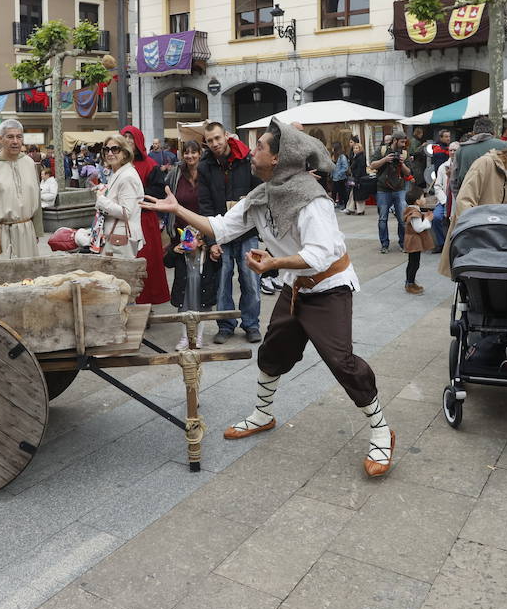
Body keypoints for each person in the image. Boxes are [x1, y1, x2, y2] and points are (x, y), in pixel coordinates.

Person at [144, 119, 395, 478]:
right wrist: (177, 210)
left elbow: (321, 254)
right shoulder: (261, 196)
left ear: (279, 158)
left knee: (342, 362)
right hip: (296, 287)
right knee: (273, 351)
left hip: (329, 287)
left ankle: (381, 430)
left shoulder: (312, 200)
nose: (251, 150)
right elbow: (221, 228)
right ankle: (263, 414)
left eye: (259, 146)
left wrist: (275, 263)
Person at [438, 137, 507, 276]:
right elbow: (465, 202)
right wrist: (478, 232)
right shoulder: (485, 164)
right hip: (475, 243)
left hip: (502, 247)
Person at [197, 121, 260, 345]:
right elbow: (204, 205)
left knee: (251, 279)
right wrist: (211, 240)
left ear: (226, 135)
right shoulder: (204, 166)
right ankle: (225, 325)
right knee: (223, 281)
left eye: (217, 138)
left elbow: (259, 189)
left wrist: (248, 201)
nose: (215, 143)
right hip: (220, 232)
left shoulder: (246, 158)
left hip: (246, 230)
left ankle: (251, 324)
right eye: (210, 140)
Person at [0, 120, 42, 260]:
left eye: (19, 137)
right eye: (10, 137)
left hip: (26, 230)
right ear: (0, 139)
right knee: (2, 279)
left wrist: (37, 231)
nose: (15, 141)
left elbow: (36, 197)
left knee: (29, 276)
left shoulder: (29, 163)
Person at [121, 125, 174, 305]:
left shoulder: (150, 165)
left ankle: (146, 304)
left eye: (131, 137)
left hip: (144, 221)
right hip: (122, 221)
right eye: (125, 137)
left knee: (146, 263)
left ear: (138, 141)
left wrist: (134, 194)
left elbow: (158, 192)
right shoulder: (117, 164)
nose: (128, 140)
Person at [88, 133, 145, 257]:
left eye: (115, 149)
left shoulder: (127, 176)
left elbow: (126, 212)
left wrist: (101, 201)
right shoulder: (119, 172)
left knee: (117, 276)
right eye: (106, 149)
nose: (110, 153)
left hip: (121, 238)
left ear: (125, 153)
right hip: (117, 236)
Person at [370, 132, 412, 254]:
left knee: (402, 219)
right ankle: (384, 244)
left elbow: (409, 173)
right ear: (394, 141)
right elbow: (372, 165)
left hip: (399, 189)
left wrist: (402, 163)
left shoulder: (404, 153)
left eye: (405, 142)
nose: (404, 145)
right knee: (383, 218)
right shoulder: (382, 150)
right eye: (402, 142)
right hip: (383, 189)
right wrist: (385, 159)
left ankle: (403, 243)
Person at [451, 117, 507, 199]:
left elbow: (454, 180)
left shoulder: (461, 150)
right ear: (494, 132)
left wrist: (460, 199)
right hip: (499, 200)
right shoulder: (506, 147)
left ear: (473, 132)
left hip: (469, 199)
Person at [402, 184, 435, 296]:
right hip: (413, 241)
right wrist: (427, 219)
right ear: (417, 201)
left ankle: (410, 282)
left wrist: (424, 217)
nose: (424, 199)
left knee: (413, 262)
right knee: (414, 263)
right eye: (422, 197)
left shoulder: (413, 210)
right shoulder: (414, 213)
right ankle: (409, 283)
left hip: (413, 241)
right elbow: (418, 228)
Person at [430, 141, 458, 251]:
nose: (452, 152)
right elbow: (437, 186)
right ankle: (441, 243)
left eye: (455, 150)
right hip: (444, 200)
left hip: (456, 199)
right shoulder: (443, 167)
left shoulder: (461, 166)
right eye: (450, 150)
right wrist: (445, 200)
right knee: (436, 218)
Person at [344, 139, 367, 215]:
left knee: (358, 194)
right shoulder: (356, 156)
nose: (355, 150)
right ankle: (351, 208)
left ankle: (358, 209)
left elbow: (360, 168)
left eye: (357, 148)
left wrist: (357, 178)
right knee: (353, 193)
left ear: (360, 149)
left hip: (358, 178)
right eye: (354, 148)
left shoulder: (360, 157)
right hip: (356, 177)